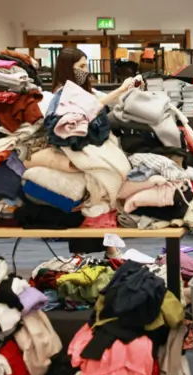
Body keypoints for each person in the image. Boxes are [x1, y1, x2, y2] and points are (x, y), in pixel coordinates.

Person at [52, 47, 133, 259]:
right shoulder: (62, 94)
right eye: (80, 66)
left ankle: (108, 247)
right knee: (92, 195)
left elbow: (98, 101)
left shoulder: (83, 91)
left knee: (105, 194)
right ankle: (89, 252)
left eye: (85, 65)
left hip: (94, 146)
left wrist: (126, 90)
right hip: (78, 150)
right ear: (67, 68)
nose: (85, 70)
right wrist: (121, 90)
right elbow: (92, 107)